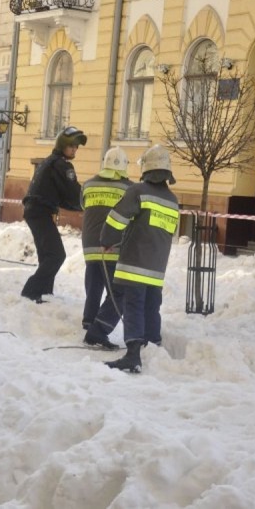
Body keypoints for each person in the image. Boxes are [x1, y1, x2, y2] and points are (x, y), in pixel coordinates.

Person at [100, 145, 179, 373]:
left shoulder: (138, 191)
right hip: (157, 267)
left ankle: (133, 355)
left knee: (133, 305)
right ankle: (153, 345)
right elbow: (170, 232)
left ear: (146, 169)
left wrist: (107, 240)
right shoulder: (173, 200)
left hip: (134, 263)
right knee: (152, 307)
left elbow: (117, 218)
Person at [20, 126, 86, 303]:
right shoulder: (62, 165)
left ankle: (43, 294)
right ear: (62, 145)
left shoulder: (50, 161)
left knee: (47, 256)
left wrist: (76, 206)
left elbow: (62, 196)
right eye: (72, 146)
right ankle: (30, 292)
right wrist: (88, 203)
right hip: (40, 212)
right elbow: (73, 193)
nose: (75, 149)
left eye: (77, 146)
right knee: (57, 255)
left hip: (35, 211)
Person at [81, 146, 132, 350]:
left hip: (89, 244)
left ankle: (89, 320)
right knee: (116, 292)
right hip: (112, 246)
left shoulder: (88, 185)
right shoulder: (129, 188)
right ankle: (99, 328)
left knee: (94, 285)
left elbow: (83, 206)